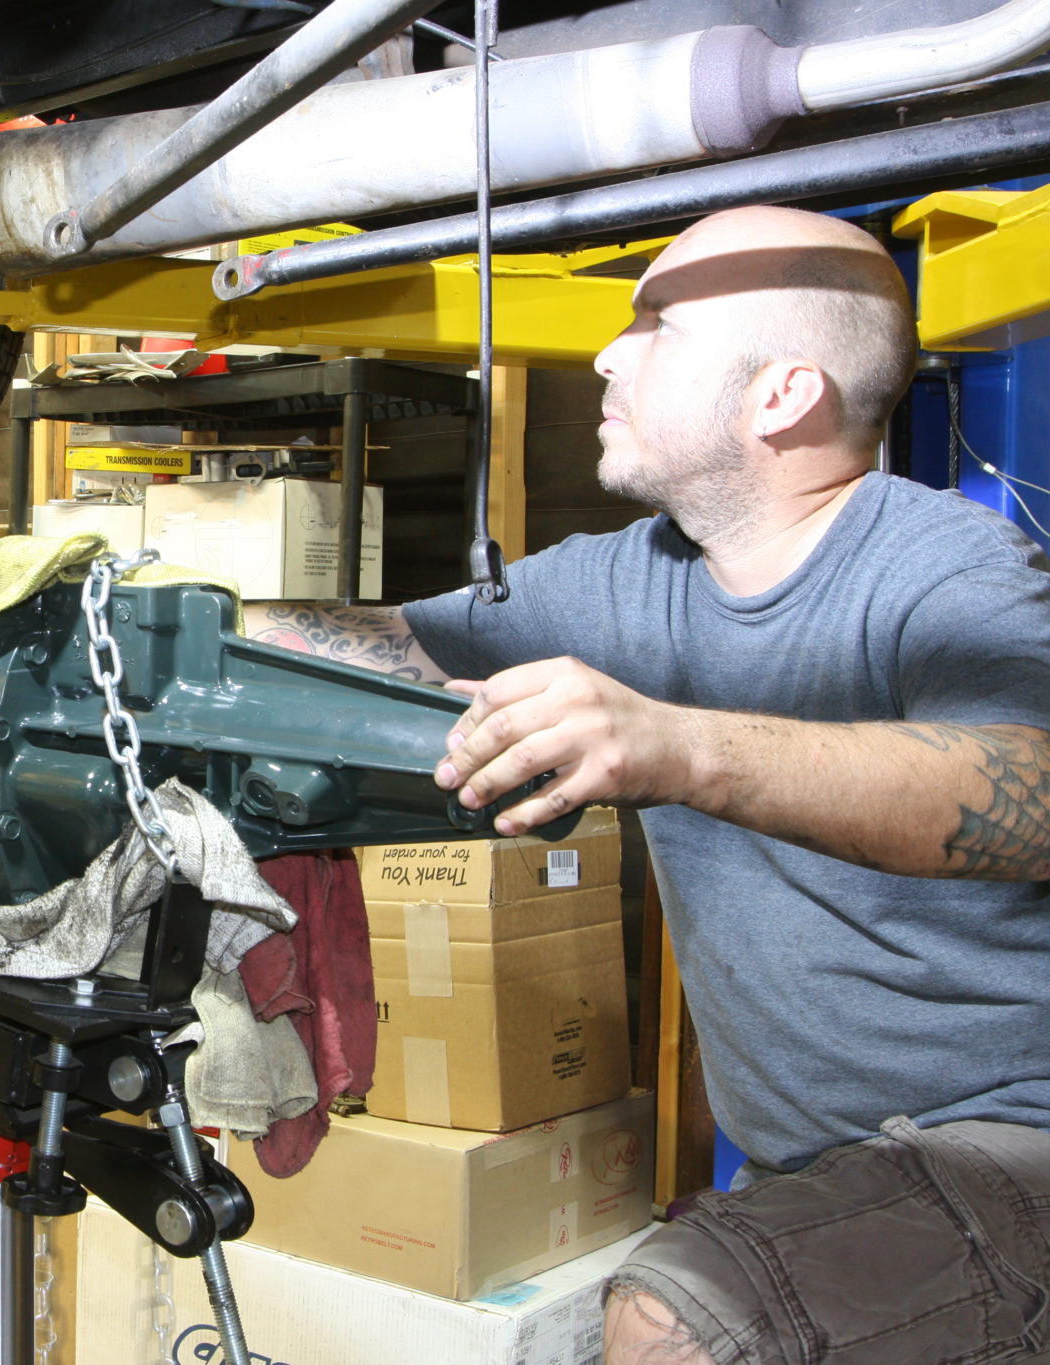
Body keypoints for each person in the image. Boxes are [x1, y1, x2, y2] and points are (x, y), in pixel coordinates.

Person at [247, 205, 1050, 1364]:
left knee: (679, 1321)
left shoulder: (941, 567)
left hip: (1014, 1144)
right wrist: (122, 611)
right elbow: (378, 647)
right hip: (827, 1163)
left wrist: (680, 747)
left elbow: (1035, 789)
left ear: (781, 395)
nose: (603, 355)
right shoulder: (635, 579)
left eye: (654, 328)